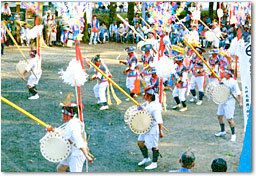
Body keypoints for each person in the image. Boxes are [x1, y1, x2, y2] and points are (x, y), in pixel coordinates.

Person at [57, 103, 93, 172]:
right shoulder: (73, 121)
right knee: (60, 169)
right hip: (70, 149)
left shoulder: (73, 126)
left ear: (67, 115)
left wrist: (86, 155)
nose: (62, 115)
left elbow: (79, 142)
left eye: (63, 113)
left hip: (77, 153)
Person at [137, 89, 164, 170]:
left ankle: (154, 163)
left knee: (154, 146)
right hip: (145, 126)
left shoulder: (155, 108)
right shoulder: (148, 103)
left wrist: (160, 131)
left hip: (153, 128)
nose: (143, 96)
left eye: (145, 95)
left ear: (150, 96)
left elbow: (159, 121)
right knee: (140, 142)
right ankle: (146, 158)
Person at [215, 69, 242, 142]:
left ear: (229, 74)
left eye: (226, 73)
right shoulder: (223, 80)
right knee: (219, 116)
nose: (224, 74)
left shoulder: (233, 82)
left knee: (229, 119)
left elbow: (239, 93)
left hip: (230, 101)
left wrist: (240, 102)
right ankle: (222, 131)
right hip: (222, 99)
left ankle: (233, 134)